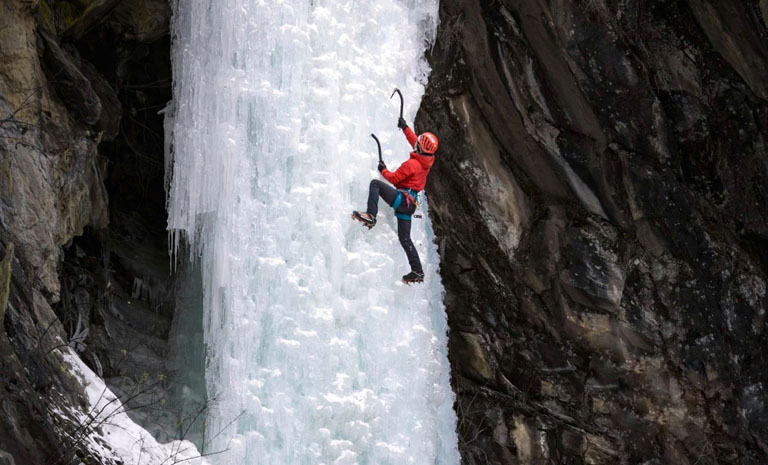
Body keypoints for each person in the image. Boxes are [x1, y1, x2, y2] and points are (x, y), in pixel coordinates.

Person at [352, 117, 439, 284]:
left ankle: (371, 215)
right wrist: (405, 127)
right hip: (410, 206)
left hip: (402, 200)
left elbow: (393, 179)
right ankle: (417, 271)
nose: (417, 143)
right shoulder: (427, 161)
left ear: (421, 148)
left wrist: (382, 169)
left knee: (375, 184)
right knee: (405, 239)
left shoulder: (412, 165)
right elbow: (416, 142)